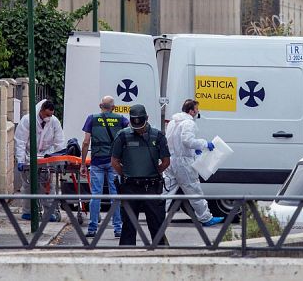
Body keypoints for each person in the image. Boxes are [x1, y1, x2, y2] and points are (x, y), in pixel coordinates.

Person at [111, 104, 170, 246]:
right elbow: (114, 161)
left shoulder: (158, 136)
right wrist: (127, 174)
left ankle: (162, 254)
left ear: (147, 118)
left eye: (141, 126)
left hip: (151, 186)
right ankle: (127, 255)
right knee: (128, 226)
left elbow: (166, 161)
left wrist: (153, 173)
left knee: (157, 224)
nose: (138, 129)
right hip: (130, 186)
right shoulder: (123, 135)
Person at [163, 99, 224, 226]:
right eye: (196, 109)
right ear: (191, 111)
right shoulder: (188, 123)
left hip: (171, 161)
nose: (198, 111)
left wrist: (192, 149)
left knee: (166, 191)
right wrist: (204, 144)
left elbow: (172, 141)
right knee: (194, 190)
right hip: (183, 163)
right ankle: (205, 218)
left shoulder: (173, 122)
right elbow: (187, 141)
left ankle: (156, 216)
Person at [80, 96, 129, 238]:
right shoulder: (121, 119)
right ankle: (118, 228)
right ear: (113, 107)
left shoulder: (92, 119)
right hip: (114, 162)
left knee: (96, 195)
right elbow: (129, 137)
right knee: (115, 195)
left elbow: (86, 142)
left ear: (100, 105)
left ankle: (92, 228)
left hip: (97, 162)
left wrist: (83, 163)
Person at [15, 99, 65, 221]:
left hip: (45, 156)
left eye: (51, 115)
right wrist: (20, 160)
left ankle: (49, 212)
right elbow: (20, 141)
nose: (49, 117)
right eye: (47, 114)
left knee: (47, 185)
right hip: (29, 156)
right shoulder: (27, 120)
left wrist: (60, 160)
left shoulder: (54, 121)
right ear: (41, 110)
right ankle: (28, 211)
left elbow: (59, 141)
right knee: (28, 185)